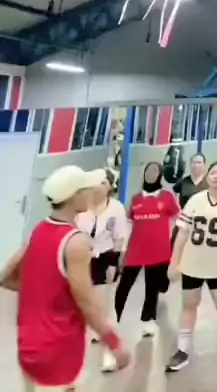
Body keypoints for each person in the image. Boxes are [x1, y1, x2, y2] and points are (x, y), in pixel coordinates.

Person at [1, 166, 130, 390]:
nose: (91, 192)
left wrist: (42, 290)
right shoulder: (76, 243)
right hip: (58, 351)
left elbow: (5, 276)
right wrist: (115, 344)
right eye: (86, 189)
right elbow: (87, 303)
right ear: (74, 196)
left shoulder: (39, 230)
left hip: (29, 347)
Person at [166, 161, 217, 372]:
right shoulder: (195, 200)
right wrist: (174, 261)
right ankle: (182, 350)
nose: (216, 176)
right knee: (189, 304)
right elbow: (182, 233)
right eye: (213, 172)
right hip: (193, 261)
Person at [115, 162, 179, 340]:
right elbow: (128, 224)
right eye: (148, 171)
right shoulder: (136, 199)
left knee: (152, 288)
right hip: (135, 251)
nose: (151, 174)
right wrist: (123, 249)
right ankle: (113, 319)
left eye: (155, 171)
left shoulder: (167, 197)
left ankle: (147, 320)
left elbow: (178, 219)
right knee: (123, 287)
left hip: (158, 251)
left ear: (160, 175)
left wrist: (173, 244)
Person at [75, 169, 128, 372]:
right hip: (81, 258)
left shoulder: (116, 208)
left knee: (104, 308)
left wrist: (114, 264)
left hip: (105, 258)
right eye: (95, 182)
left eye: (104, 182)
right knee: (80, 306)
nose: (98, 186)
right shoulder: (80, 206)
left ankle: (109, 353)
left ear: (110, 186)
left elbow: (119, 238)